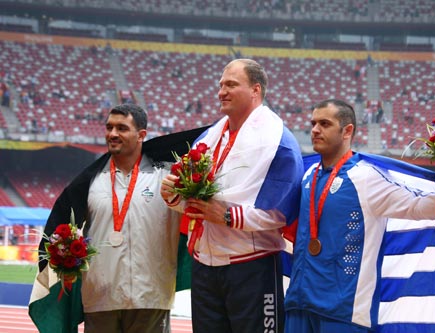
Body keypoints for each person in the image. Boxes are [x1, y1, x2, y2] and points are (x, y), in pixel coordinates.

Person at [283, 98, 435, 333]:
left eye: (324, 123)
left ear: (347, 131)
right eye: (313, 123)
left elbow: (422, 208)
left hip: (343, 312)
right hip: (299, 305)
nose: (315, 130)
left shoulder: (367, 178)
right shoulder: (307, 174)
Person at [29, 104, 208, 333]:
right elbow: (62, 227)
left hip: (151, 298)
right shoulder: (89, 183)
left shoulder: (167, 177)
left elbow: (194, 214)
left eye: (122, 128)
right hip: (100, 298)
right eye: (109, 127)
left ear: (141, 135)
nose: (113, 134)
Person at [161, 58, 303, 333]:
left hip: (251, 265)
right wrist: (174, 197)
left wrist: (228, 215)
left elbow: (282, 210)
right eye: (221, 85)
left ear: (255, 90)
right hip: (205, 263)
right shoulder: (210, 138)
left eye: (231, 85)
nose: (221, 92)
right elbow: (200, 204)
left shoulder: (278, 142)